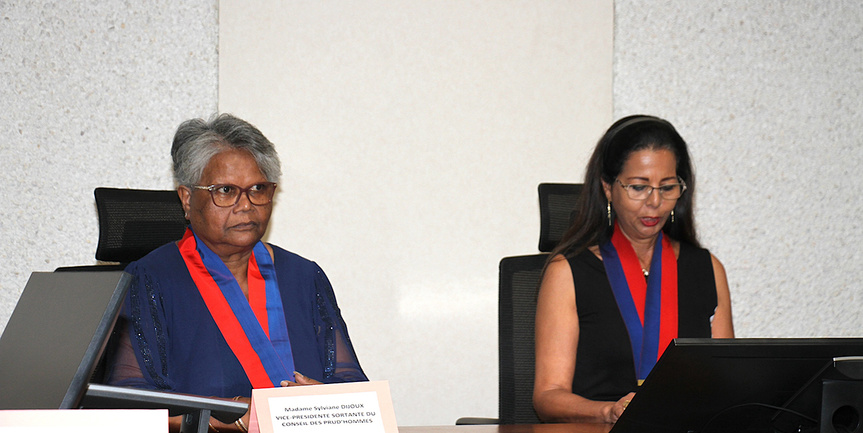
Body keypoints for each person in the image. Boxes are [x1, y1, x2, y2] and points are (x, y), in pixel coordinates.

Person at [107, 114, 366, 432]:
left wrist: (327, 406)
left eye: (258, 188)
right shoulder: (151, 280)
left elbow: (352, 387)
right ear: (187, 199)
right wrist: (223, 422)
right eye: (226, 191)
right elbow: (128, 406)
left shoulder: (303, 276)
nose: (246, 205)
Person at [532, 115, 734, 424]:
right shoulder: (568, 272)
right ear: (608, 188)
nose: (654, 203)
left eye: (667, 188)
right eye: (639, 188)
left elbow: (726, 383)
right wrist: (607, 410)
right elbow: (548, 396)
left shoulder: (707, 268)